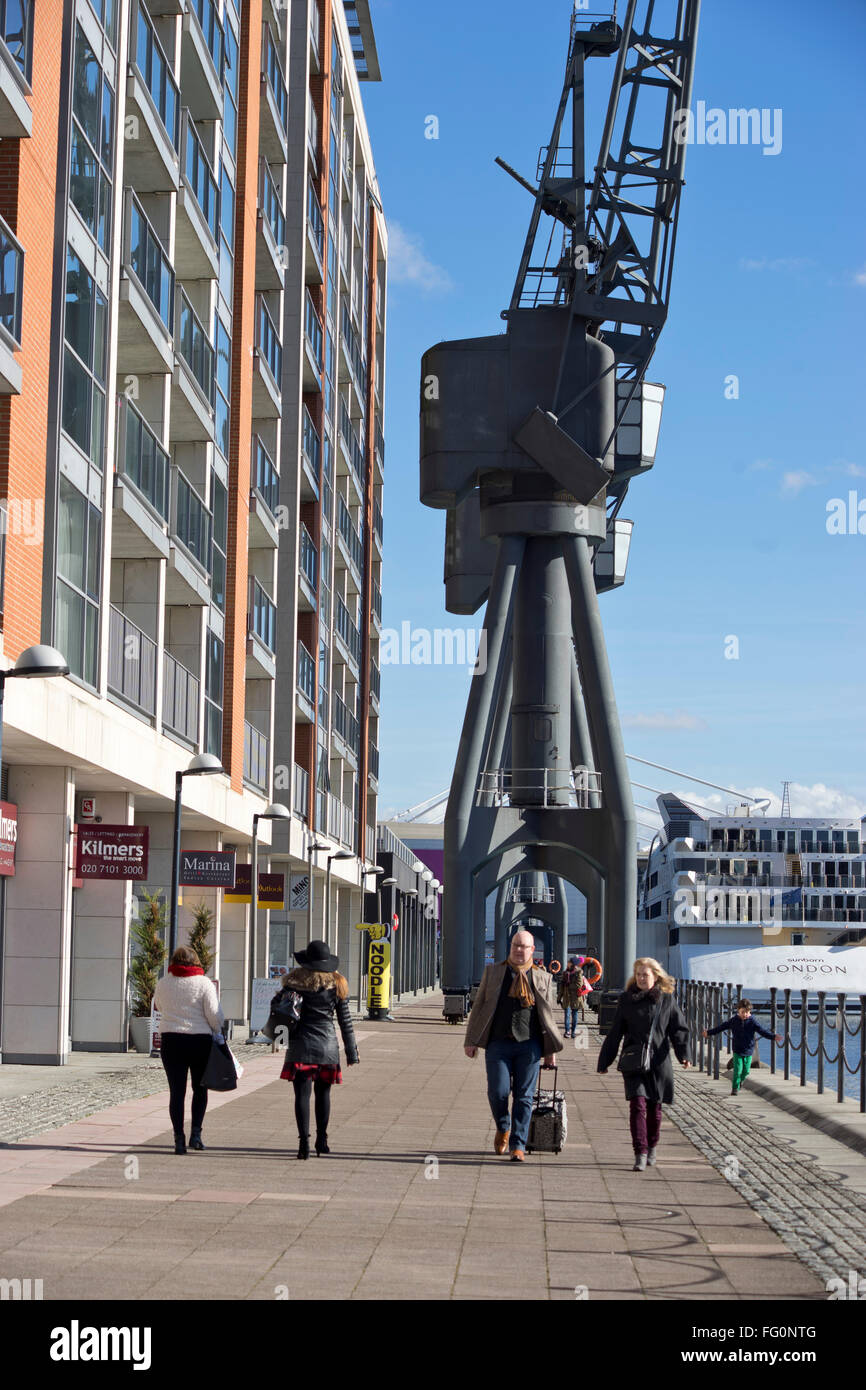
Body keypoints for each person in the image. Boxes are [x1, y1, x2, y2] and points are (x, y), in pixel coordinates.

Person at [463, 929, 563, 1162]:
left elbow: (547, 1017)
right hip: (499, 1044)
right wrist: (471, 1041)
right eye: (515, 945)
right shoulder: (494, 972)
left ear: (532, 950)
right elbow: (479, 1007)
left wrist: (549, 1053)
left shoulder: (543, 977)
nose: (519, 950)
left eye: (524, 946)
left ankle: (518, 1145)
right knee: (497, 1092)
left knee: (524, 1097)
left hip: (529, 1047)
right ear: (510, 947)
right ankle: (503, 1126)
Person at [597, 957, 690, 1172]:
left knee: (654, 1108)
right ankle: (640, 1151)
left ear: (655, 976)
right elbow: (615, 1032)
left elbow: (678, 1028)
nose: (640, 978)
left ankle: (652, 1145)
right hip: (633, 1059)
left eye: (645, 975)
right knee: (637, 1104)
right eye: (638, 974)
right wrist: (605, 1061)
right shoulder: (626, 1000)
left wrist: (684, 1054)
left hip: (658, 1061)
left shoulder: (666, 1000)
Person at [275, 939, 359, 1159]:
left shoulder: (292, 983)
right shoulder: (337, 985)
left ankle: (304, 1143)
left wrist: (280, 1040)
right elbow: (345, 1022)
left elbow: (280, 1013)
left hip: (300, 1046)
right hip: (327, 1047)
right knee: (323, 1094)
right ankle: (322, 1140)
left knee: (301, 1095)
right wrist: (352, 1051)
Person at [153, 944, 225, 1155]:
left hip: (171, 1039)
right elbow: (214, 1014)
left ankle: (178, 1138)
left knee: (177, 1092)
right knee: (200, 1088)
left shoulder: (164, 983)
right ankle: (196, 1134)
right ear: (196, 962)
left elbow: (159, 1006)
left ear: (174, 962)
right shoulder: (204, 983)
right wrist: (218, 1028)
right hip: (199, 1040)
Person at [703, 1000, 782, 1095]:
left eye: (747, 1012)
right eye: (742, 1012)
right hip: (737, 1050)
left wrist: (773, 1036)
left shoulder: (752, 1022)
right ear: (738, 1011)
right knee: (737, 1070)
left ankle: (741, 1080)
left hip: (749, 1050)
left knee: (746, 1071)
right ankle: (735, 1088)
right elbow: (721, 1027)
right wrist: (709, 1032)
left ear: (750, 1012)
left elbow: (762, 1031)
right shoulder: (734, 1021)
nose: (745, 1014)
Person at [557, 958, 586, 1037]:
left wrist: (568, 985)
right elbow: (562, 987)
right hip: (567, 998)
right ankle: (567, 1031)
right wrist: (559, 998)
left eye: (569, 962)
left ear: (573, 964)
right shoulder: (565, 973)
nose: (567, 963)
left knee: (575, 1015)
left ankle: (573, 1031)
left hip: (575, 998)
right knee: (567, 1015)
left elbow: (579, 985)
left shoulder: (578, 973)